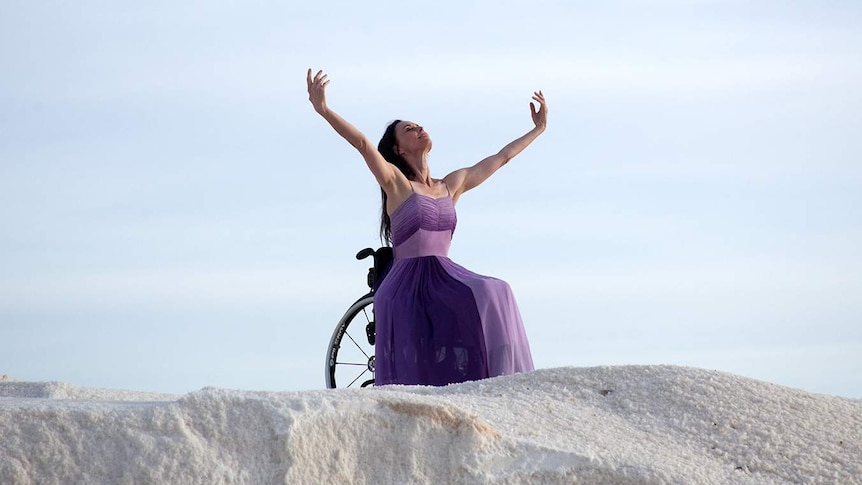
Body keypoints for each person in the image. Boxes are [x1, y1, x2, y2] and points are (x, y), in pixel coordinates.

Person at [307, 68, 547, 386]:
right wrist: (323, 109)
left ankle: (500, 381)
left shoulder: (451, 185)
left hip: (445, 274)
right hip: (409, 281)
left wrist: (539, 128)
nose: (419, 127)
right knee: (486, 290)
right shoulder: (396, 184)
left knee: (498, 289)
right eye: (409, 129)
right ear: (398, 149)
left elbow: (501, 157)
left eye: (419, 125)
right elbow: (363, 144)